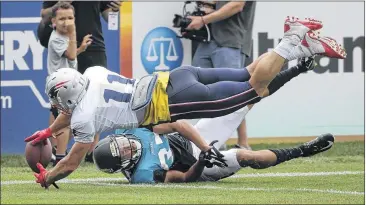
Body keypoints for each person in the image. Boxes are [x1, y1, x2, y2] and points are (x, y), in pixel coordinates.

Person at [25, 17, 346, 188]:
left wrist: (47, 177)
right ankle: (303, 47)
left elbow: (69, 163)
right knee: (248, 72)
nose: (62, 109)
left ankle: (291, 41)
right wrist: (49, 130)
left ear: (66, 98)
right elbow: (75, 108)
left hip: (174, 101)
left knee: (254, 89)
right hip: (174, 77)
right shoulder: (92, 74)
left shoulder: (84, 116)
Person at [94, 57, 333, 183]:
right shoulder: (143, 176)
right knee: (245, 156)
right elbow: (186, 178)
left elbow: (178, 124)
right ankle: (302, 150)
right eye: (122, 152)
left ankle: (297, 68)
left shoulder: (135, 130)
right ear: (122, 166)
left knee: (247, 98)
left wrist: (204, 146)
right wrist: (202, 160)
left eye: (121, 142)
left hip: (196, 139)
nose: (126, 145)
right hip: (199, 163)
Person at [38, 0, 122, 163]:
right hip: (66, 44)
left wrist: (114, 10)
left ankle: (91, 152)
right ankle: (56, 151)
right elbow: (44, 15)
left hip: (94, 45)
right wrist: (63, 3)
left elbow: (106, 15)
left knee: (96, 98)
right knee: (63, 101)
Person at [188, 1, 256, 150]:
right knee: (201, 91)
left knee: (232, 94)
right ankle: (212, 142)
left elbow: (236, 5)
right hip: (206, 40)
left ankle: (243, 143)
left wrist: (204, 19)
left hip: (231, 41)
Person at [46, 2, 92, 166]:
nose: (66, 22)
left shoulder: (63, 37)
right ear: (53, 22)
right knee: (65, 124)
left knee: (62, 124)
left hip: (66, 87)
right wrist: (73, 33)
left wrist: (80, 48)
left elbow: (69, 55)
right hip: (62, 89)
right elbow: (71, 57)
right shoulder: (57, 38)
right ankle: (59, 157)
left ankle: (50, 151)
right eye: (62, 18)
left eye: (70, 18)